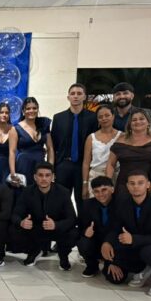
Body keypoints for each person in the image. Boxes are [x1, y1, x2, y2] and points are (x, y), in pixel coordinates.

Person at [101, 169, 151, 296]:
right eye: (132, 183)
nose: (136, 187)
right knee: (113, 277)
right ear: (127, 186)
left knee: (148, 251)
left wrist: (134, 239)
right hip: (132, 245)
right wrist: (107, 243)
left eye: (140, 183)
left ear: (148, 184)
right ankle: (143, 268)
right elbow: (115, 228)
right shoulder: (122, 202)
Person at [11, 162, 78, 270]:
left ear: (53, 177)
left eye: (47, 175)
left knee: (73, 233)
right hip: (35, 228)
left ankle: (63, 255)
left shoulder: (63, 192)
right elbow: (15, 214)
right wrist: (21, 222)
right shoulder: (27, 191)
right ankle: (34, 251)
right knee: (14, 230)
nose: (44, 178)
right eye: (40, 175)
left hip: (56, 228)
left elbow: (72, 218)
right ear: (35, 177)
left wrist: (56, 225)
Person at [51, 83, 98, 212]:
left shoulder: (93, 118)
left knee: (82, 201)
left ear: (84, 97)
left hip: (83, 166)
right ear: (68, 97)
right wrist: (54, 167)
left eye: (79, 94)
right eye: (73, 94)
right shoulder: (58, 118)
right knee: (61, 201)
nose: (75, 96)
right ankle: (63, 229)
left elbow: (95, 143)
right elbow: (53, 144)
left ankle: (83, 230)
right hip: (63, 165)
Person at [106, 109, 151, 195]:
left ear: (148, 122)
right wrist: (108, 183)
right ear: (130, 124)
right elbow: (111, 164)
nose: (138, 122)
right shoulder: (120, 140)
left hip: (150, 186)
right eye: (134, 120)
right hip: (124, 187)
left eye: (142, 119)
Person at [9, 97, 54, 188]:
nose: (31, 111)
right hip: (23, 164)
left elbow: (50, 148)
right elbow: (12, 152)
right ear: (23, 111)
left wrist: (50, 169)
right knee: (23, 193)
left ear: (37, 109)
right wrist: (13, 173)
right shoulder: (15, 128)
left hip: (40, 164)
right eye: (28, 108)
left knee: (39, 193)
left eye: (34, 108)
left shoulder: (43, 124)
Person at [77, 176, 117, 277]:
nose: (101, 194)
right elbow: (80, 227)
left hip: (115, 244)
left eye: (104, 190)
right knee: (83, 241)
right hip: (96, 242)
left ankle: (112, 262)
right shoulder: (87, 205)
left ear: (112, 189)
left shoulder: (121, 204)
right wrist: (85, 232)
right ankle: (92, 265)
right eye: (96, 191)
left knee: (114, 278)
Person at [81, 104, 121, 200]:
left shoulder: (122, 136)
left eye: (107, 115)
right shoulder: (91, 138)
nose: (104, 118)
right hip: (95, 176)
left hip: (116, 177)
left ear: (113, 116)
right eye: (100, 117)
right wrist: (85, 184)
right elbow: (86, 163)